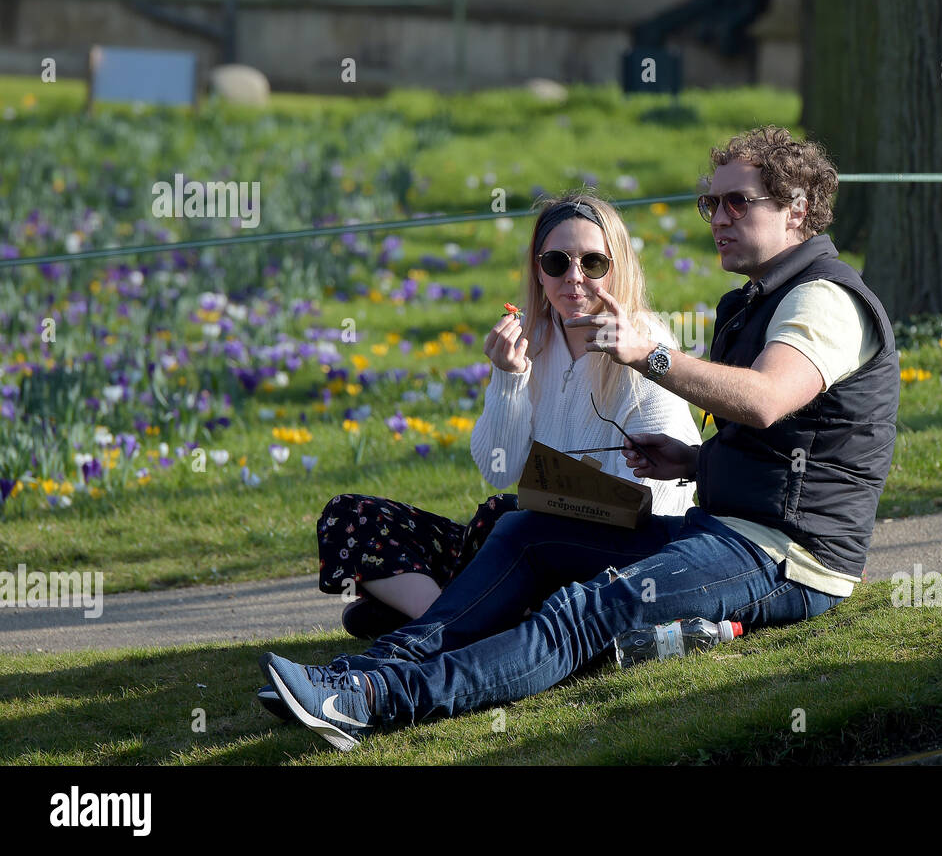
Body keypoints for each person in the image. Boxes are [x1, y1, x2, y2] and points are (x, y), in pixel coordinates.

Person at [258, 127, 900, 751]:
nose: (718, 217)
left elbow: (764, 402)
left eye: (738, 201)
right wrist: (694, 460)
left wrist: (649, 356)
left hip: (789, 558)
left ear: (798, 209)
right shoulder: (760, 300)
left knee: (585, 608)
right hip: (726, 529)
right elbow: (778, 446)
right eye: (711, 201)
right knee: (522, 529)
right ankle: (362, 674)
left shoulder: (825, 301)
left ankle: (371, 704)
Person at [311, 193, 699, 635]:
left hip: (602, 554)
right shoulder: (530, 340)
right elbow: (499, 466)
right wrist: (509, 380)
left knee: (506, 520)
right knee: (349, 516)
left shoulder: (644, 345)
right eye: (556, 262)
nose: (573, 278)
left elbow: (658, 504)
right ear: (538, 270)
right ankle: (454, 621)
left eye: (592, 263)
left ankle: (440, 620)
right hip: (528, 539)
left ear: (618, 267)